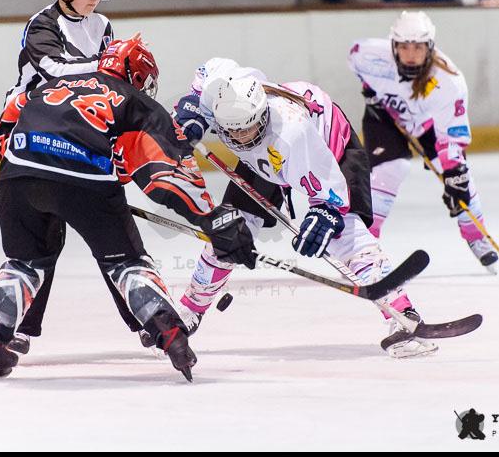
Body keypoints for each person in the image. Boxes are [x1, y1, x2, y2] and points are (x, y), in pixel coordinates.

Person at [0, 40, 257, 381]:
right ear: (138, 75)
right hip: (86, 181)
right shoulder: (134, 100)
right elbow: (168, 172)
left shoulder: (50, 86)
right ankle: (171, 336)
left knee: (25, 263)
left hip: (18, 174)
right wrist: (211, 219)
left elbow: (7, 124)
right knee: (126, 263)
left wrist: (44, 169)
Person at [170, 58, 437, 358]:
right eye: (235, 132)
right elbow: (207, 72)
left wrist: (325, 213)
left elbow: (331, 192)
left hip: (329, 146)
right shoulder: (219, 92)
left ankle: (403, 315)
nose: (244, 137)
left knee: (345, 235)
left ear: (262, 113)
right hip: (263, 160)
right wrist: (190, 113)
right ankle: (188, 311)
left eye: (250, 128)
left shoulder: (292, 131)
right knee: (229, 232)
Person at [0, 0, 123, 355]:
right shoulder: (42, 25)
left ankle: (145, 320)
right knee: (41, 241)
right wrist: (111, 66)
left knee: (113, 238)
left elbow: (104, 91)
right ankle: (21, 326)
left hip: (77, 132)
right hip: (29, 133)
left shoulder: (102, 25)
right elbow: (56, 74)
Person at [348, 11, 499, 272]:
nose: (410, 54)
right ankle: (363, 246)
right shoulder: (369, 55)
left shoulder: (448, 82)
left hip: (428, 125)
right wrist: (370, 90)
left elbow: (450, 137)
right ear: (393, 45)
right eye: (404, 46)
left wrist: (453, 172)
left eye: (418, 47)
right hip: (384, 116)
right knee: (391, 169)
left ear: (430, 47)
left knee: (459, 179)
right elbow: (355, 59)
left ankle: (476, 236)